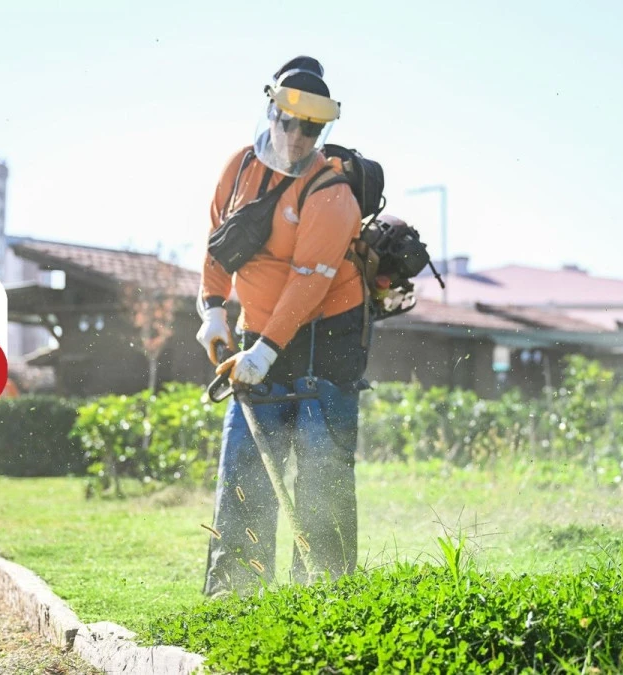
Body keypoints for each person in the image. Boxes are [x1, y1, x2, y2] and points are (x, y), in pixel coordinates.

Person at [196, 55, 370, 598]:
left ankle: (326, 592)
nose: (296, 136)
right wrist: (213, 311)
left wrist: (266, 352)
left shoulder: (330, 192)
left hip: (328, 338)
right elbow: (218, 244)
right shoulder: (240, 168)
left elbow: (309, 281)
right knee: (245, 460)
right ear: (271, 114)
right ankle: (235, 591)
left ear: (322, 129)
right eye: (288, 122)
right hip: (258, 334)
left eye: (310, 128)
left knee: (321, 468)